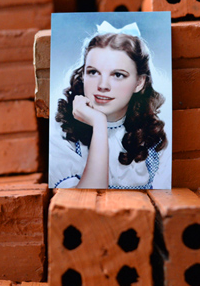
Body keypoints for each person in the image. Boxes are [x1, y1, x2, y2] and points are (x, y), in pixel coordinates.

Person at [49, 21, 170, 189]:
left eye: (118, 75)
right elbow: (85, 204)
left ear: (139, 83)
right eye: (93, 72)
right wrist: (99, 124)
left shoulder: (154, 138)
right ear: (83, 74)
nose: (103, 85)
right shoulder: (60, 131)